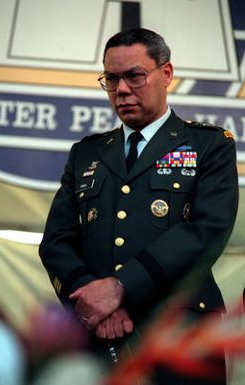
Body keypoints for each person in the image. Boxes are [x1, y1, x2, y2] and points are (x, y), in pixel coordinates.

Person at [39, 28, 238, 384]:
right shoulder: (87, 153)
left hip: (181, 336)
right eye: (112, 79)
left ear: (166, 74)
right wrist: (93, 299)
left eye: (134, 75)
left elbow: (206, 231)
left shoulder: (208, 145)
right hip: (101, 338)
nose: (122, 90)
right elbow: (56, 240)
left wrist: (120, 287)